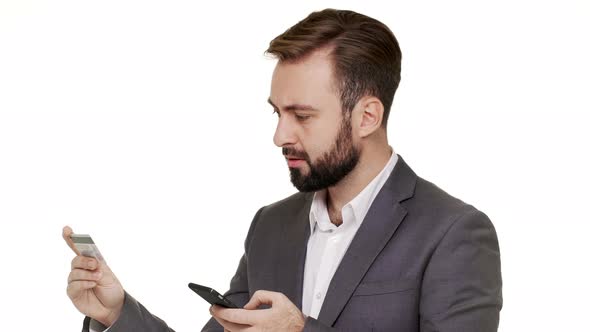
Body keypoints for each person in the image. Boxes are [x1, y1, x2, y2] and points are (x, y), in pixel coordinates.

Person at [64, 8, 502, 331]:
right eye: (277, 113)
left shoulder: (454, 233)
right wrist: (116, 313)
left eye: (303, 115)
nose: (280, 136)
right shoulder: (271, 225)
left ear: (367, 116)